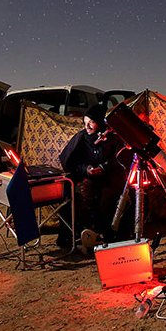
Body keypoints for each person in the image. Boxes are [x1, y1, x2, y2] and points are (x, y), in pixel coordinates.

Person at [57, 103, 127, 252]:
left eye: (92, 122)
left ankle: (104, 234)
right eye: (85, 122)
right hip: (86, 177)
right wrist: (87, 169)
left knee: (107, 198)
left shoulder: (112, 138)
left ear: (100, 122)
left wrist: (103, 168)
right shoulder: (81, 138)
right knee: (79, 193)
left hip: (109, 178)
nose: (87, 126)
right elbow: (70, 162)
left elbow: (120, 159)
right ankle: (82, 234)